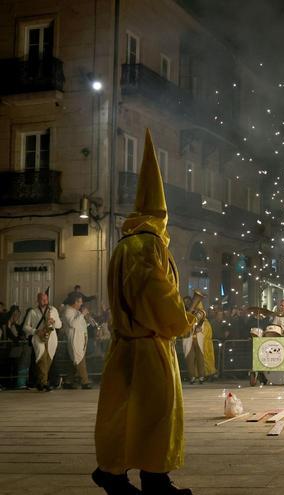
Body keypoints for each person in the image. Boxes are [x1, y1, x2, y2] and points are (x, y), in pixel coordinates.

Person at [92, 129, 196, 495]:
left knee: (121, 414)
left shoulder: (122, 244)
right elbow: (158, 293)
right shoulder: (150, 245)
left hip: (123, 345)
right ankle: (155, 479)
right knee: (156, 414)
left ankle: (113, 473)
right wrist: (183, 321)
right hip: (150, 345)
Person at [22, 291, 61, 392]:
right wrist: (35, 331)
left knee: (48, 360)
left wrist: (54, 322)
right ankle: (44, 383)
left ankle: (40, 382)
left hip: (51, 338)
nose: (45, 301)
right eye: (42, 299)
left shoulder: (53, 310)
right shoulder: (33, 312)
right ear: (38, 300)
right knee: (41, 359)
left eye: (46, 299)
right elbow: (25, 327)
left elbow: (59, 325)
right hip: (38, 337)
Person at [60, 295, 91, 389]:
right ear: (75, 302)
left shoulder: (76, 311)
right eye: (80, 302)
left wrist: (87, 319)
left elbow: (81, 325)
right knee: (80, 359)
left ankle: (68, 382)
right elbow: (73, 324)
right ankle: (85, 382)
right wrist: (82, 314)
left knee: (73, 361)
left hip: (81, 339)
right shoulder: (67, 311)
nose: (81, 304)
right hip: (74, 339)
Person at [1, 306, 29, 389]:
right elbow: (9, 334)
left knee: (13, 366)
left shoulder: (16, 326)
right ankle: (5, 384)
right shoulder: (4, 323)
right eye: (15, 314)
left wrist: (22, 337)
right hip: (4, 349)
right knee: (5, 367)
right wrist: (16, 339)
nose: (16, 317)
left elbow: (21, 332)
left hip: (14, 350)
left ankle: (12, 384)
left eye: (18, 315)